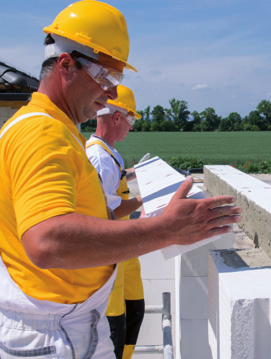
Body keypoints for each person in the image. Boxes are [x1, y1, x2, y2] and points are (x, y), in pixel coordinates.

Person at [0, 1, 241, 358]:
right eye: (106, 77)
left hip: (64, 325)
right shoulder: (41, 132)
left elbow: (82, 221)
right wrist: (165, 231)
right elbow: (47, 241)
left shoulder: (57, 131)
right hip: (54, 335)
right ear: (66, 64)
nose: (112, 94)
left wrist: (158, 220)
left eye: (118, 80)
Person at [86, 85, 145, 359]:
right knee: (116, 328)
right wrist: (145, 200)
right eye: (131, 119)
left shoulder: (109, 153)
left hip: (122, 252)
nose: (131, 127)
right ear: (117, 117)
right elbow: (106, 214)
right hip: (109, 256)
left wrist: (136, 173)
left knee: (134, 312)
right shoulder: (99, 158)